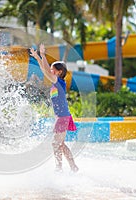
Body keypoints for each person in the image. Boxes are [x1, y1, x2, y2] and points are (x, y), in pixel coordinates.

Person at [29, 44, 79, 172]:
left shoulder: (59, 82)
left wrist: (43, 55)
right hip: (62, 117)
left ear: (59, 72)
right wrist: (37, 57)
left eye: (53, 69)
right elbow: (44, 69)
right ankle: (73, 167)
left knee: (55, 144)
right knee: (60, 144)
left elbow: (45, 70)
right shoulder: (56, 82)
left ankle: (59, 168)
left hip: (62, 117)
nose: (50, 71)